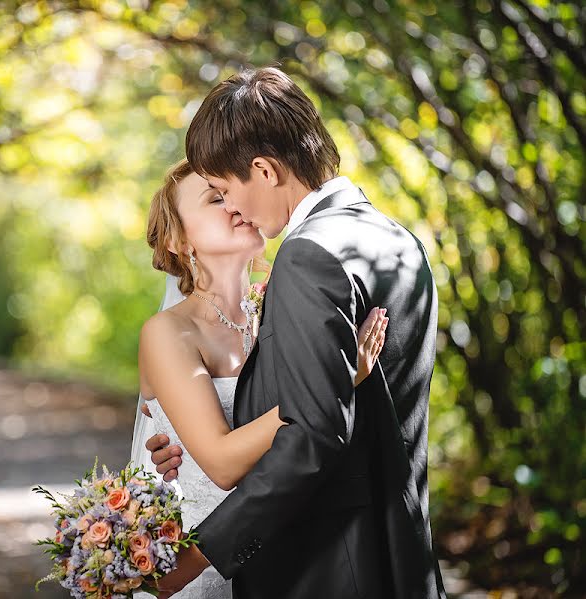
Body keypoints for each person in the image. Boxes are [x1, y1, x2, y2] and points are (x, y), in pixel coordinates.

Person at [146, 66, 446, 599]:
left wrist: (195, 559)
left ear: (263, 169)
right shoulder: (399, 241)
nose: (233, 207)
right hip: (403, 553)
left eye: (224, 189)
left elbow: (310, 435)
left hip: (328, 567)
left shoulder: (308, 254)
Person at [130, 158, 388, 598]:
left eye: (230, 191)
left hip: (296, 556)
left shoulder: (283, 308)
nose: (233, 203)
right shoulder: (167, 333)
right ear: (177, 239)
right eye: (215, 197)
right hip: (207, 564)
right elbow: (223, 463)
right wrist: (338, 382)